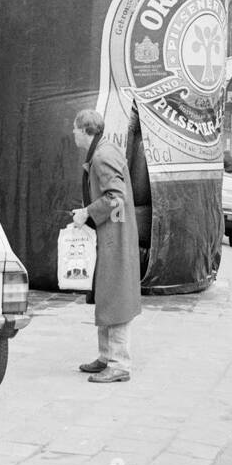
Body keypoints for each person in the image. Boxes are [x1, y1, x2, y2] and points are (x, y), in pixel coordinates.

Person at [70, 108, 141, 383]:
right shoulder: (103, 151)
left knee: (116, 296)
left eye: (75, 129)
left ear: (86, 130)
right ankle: (105, 357)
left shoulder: (101, 156)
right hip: (111, 233)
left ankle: (120, 364)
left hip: (115, 236)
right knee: (107, 295)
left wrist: (87, 212)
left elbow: (116, 197)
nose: (72, 133)